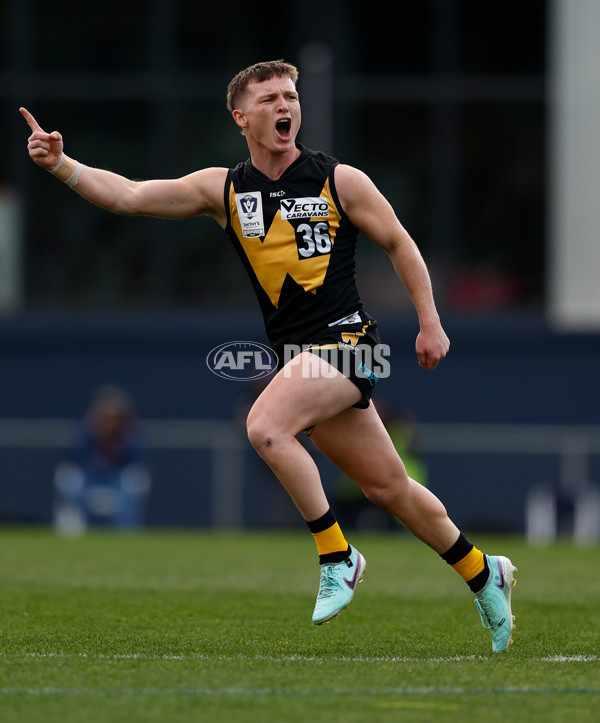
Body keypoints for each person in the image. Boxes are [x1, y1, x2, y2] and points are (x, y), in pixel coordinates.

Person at [20, 59, 517, 652]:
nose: (285, 106)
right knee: (390, 489)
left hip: (351, 343)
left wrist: (431, 322)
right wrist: (62, 166)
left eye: (291, 96)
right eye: (270, 99)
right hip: (303, 357)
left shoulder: (341, 180)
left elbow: (399, 243)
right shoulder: (224, 189)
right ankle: (486, 574)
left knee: (265, 423)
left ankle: (338, 555)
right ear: (241, 117)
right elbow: (130, 196)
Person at [53, 385, 151, 533]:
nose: (110, 422)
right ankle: (71, 533)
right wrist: (96, 433)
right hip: (90, 479)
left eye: (114, 417)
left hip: (117, 480)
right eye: (105, 417)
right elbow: (74, 456)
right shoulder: (85, 431)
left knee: (135, 479)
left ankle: (125, 533)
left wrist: (119, 439)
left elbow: (138, 457)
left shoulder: (130, 433)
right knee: (69, 477)